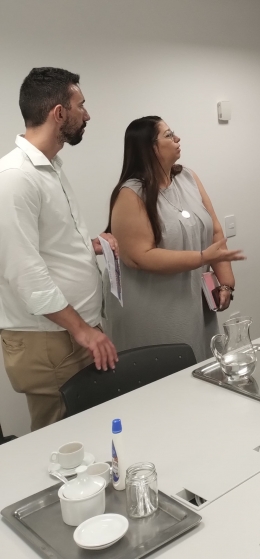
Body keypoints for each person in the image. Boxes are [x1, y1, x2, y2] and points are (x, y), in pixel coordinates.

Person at [0, 67, 118, 431]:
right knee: (62, 443)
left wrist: (89, 246)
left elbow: (45, 244)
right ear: (59, 113)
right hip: (51, 339)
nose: (88, 114)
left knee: (86, 432)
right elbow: (24, 271)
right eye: (81, 105)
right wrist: (82, 331)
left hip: (70, 331)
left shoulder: (48, 167)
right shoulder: (16, 177)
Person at [105, 116, 245, 361]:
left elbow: (214, 230)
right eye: (169, 135)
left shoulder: (188, 178)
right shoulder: (130, 194)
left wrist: (225, 283)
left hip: (194, 303)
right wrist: (201, 258)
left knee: (199, 369)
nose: (177, 139)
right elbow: (139, 257)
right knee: (165, 378)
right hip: (154, 309)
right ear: (150, 147)